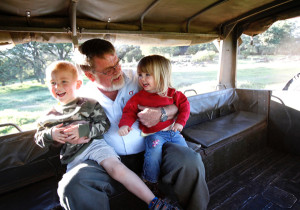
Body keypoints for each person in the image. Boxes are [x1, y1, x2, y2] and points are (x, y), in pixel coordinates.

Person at [57, 38, 210, 210]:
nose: (117, 71)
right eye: (109, 70)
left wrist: (162, 113)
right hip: (108, 159)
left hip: (153, 145)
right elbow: (60, 123)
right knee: (73, 184)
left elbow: (179, 102)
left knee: (190, 159)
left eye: (117, 64)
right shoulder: (83, 98)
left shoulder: (139, 78)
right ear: (90, 75)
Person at [34, 61, 180, 209]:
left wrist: (85, 130)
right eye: (52, 83)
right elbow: (38, 137)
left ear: (77, 84)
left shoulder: (88, 104)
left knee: (117, 168)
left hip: (95, 146)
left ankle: (155, 202)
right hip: (73, 155)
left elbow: (104, 125)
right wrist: (50, 134)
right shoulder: (48, 116)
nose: (57, 87)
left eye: (63, 82)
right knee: (72, 186)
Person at [118, 55, 190, 184]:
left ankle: (183, 178)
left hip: (173, 132)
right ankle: (150, 180)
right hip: (154, 134)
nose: (142, 79)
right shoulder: (139, 97)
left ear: (161, 76)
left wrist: (180, 122)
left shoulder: (172, 94)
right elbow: (129, 111)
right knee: (153, 153)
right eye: (140, 75)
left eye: (147, 75)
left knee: (186, 153)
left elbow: (185, 106)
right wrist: (125, 125)